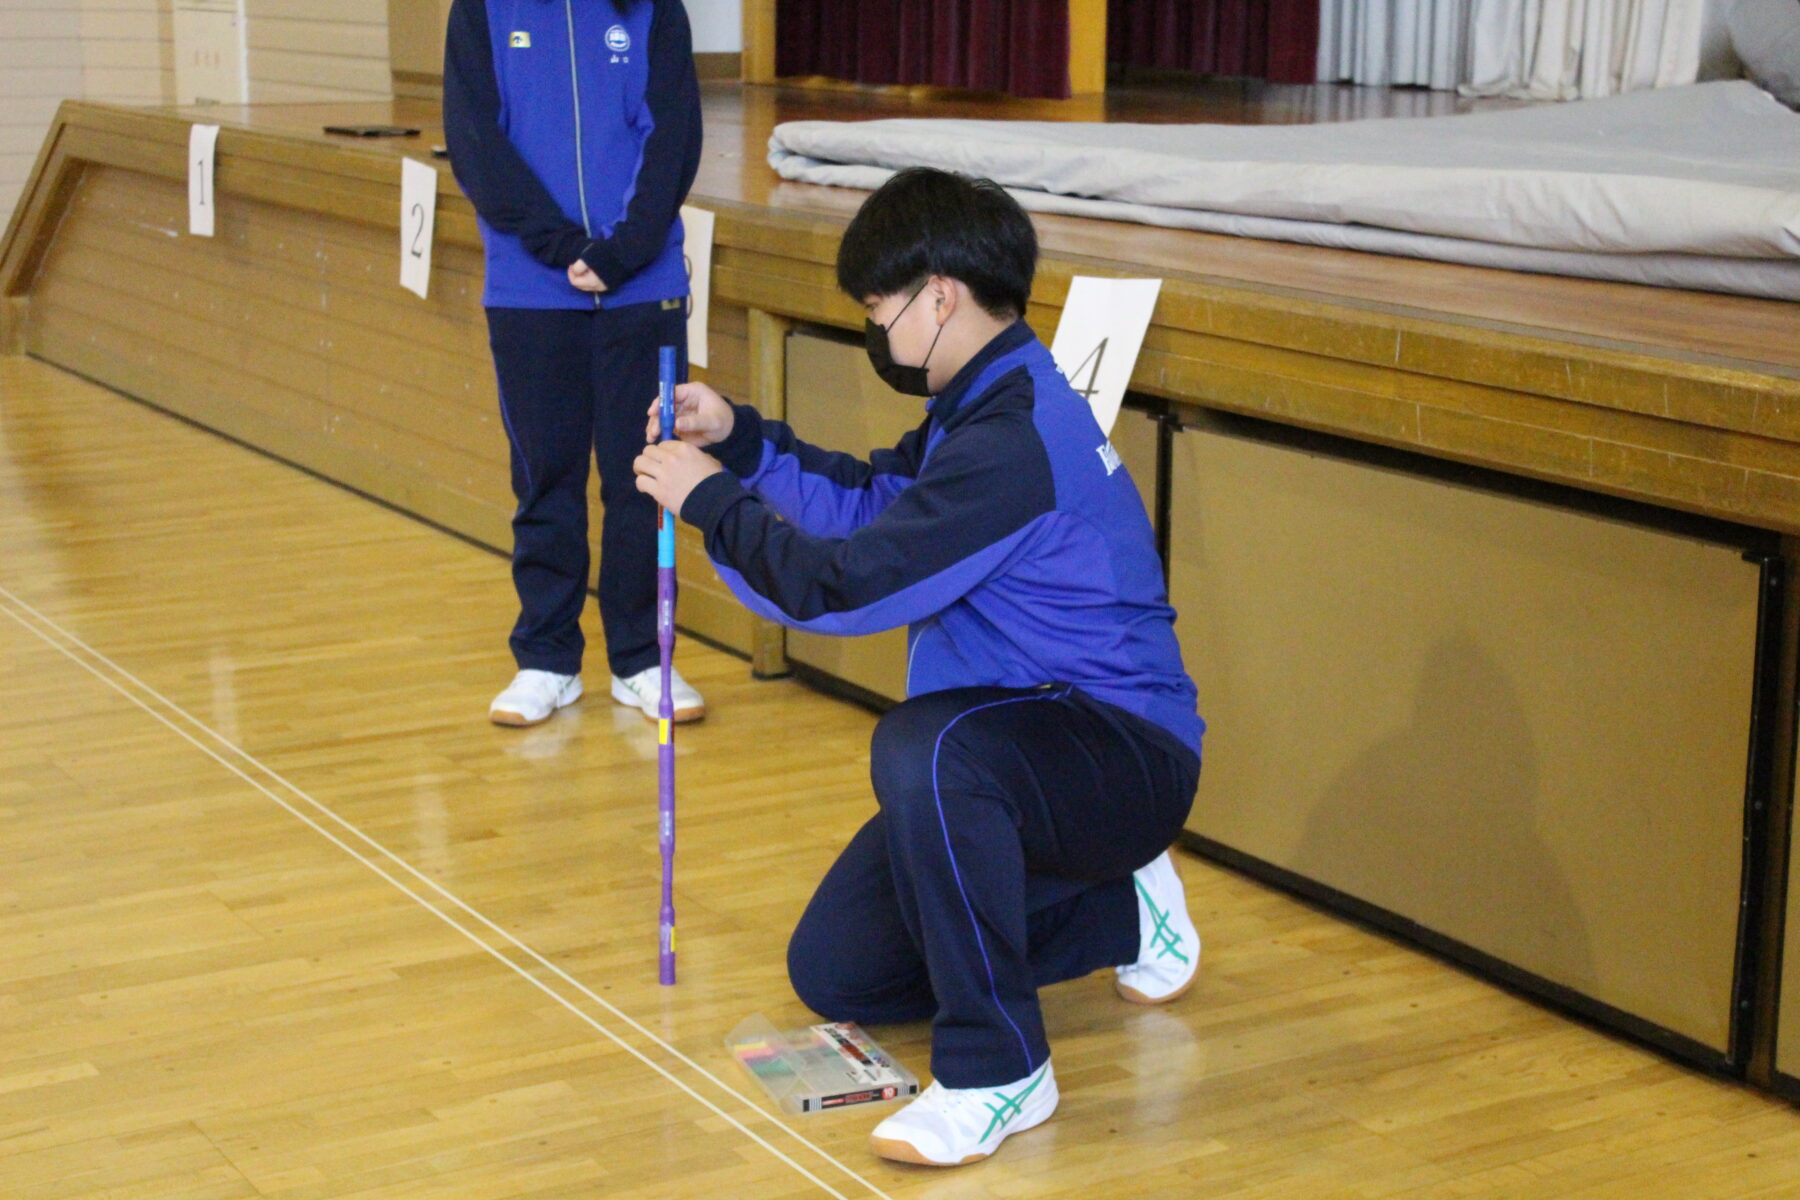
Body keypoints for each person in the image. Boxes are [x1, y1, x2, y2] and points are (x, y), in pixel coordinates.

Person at [633, 168, 1205, 1167]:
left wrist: (712, 507)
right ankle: (1126, 905)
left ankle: (1001, 1070)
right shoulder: (979, 405)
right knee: (837, 970)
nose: (876, 330)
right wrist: (742, 443)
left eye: (879, 308)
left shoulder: (1012, 440)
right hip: (1026, 739)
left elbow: (847, 585)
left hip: (1120, 752)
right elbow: (868, 501)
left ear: (939, 296)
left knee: (927, 750)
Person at [443, 0, 707, 728]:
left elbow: (674, 137)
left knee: (644, 481)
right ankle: (546, 659)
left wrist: (623, 251)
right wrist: (561, 247)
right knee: (544, 478)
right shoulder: (484, 11)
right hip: (533, 289)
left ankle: (643, 657)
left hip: (643, 288)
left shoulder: (655, 10)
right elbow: (475, 144)